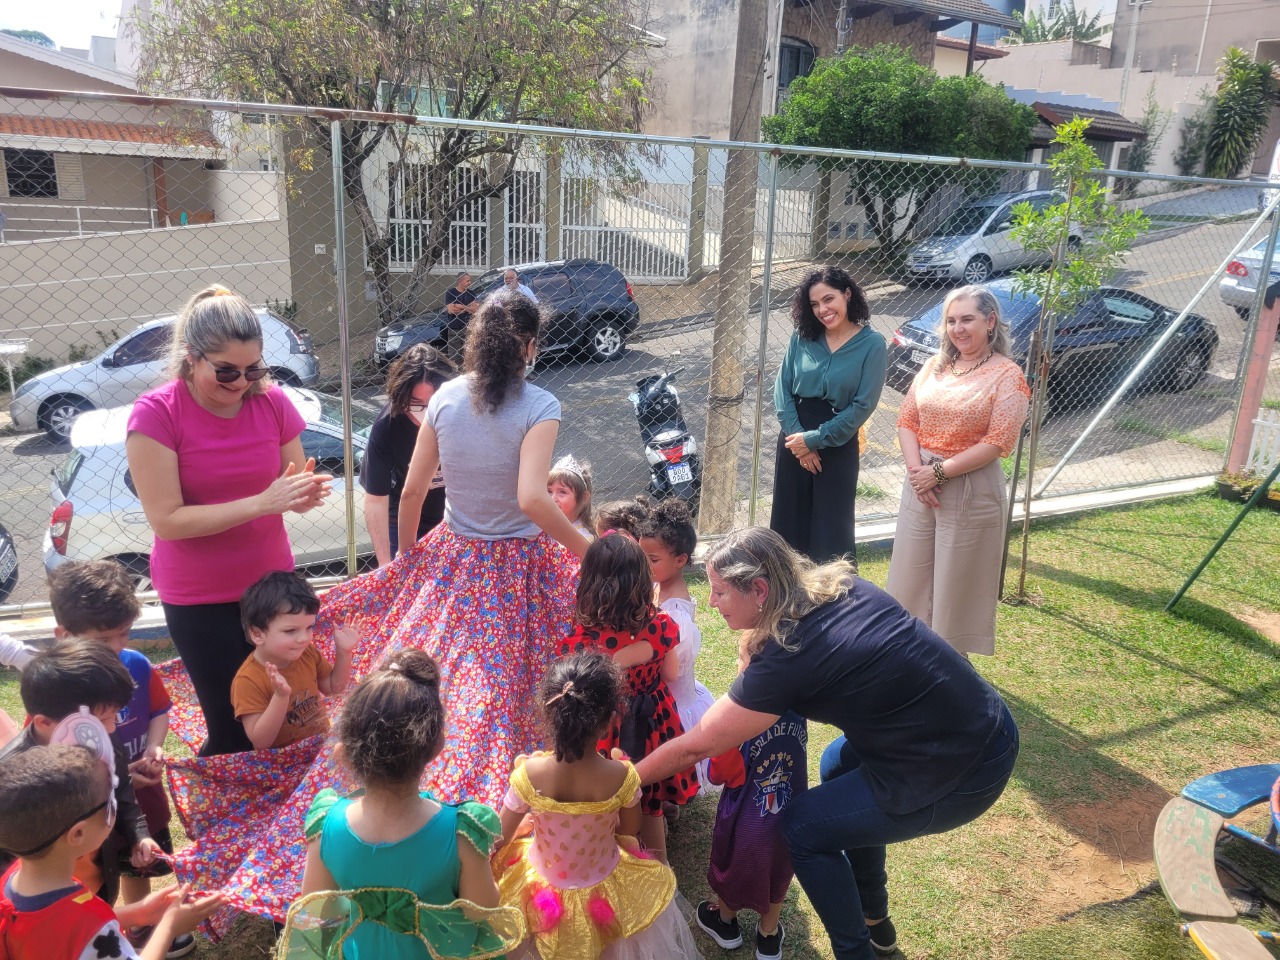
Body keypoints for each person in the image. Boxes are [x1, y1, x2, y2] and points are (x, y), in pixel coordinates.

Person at [635, 528, 1020, 960]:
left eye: (720, 592)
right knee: (837, 762)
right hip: (987, 722)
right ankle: (875, 918)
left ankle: (856, 953)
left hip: (963, 772)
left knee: (802, 826)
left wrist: (626, 778)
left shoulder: (790, 657)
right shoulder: (846, 589)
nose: (710, 602)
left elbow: (697, 745)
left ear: (759, 589)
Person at [318, 289, 589, 809]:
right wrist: (589, 551)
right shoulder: (539, 405)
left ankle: (420, 782)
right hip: (521, 564)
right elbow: (532, 498)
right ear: (529, 344)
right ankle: (520, 790)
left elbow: (413, 491)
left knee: (446, 671)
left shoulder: (443, 399)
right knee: (521, 680)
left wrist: (405, 561)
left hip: (453, 556)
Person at [126, 284, 330, 755]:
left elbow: (290, 482)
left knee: (293, 716)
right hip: (201, 598)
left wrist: (303, 495)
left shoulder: (272, 401)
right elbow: (167, 520)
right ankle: (228, 822)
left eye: (254, 368)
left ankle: (282, 825)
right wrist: (262, 503)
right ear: (192, 357)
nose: (241, 382)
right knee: (233, 729)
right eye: (226, 371)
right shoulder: (156, 414)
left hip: (271, 590)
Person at [297, 649, 523, 960]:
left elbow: (318, 904)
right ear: (437, 746)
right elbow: (480, 911)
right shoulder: (460, 833)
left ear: (344, 753)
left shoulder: (326, 826)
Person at [495, 651, 701, 960]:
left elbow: (500, 834)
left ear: (551, 716)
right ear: (608, 721)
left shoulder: (530, 774)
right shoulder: (620, 776)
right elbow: (631, 829)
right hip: (603, 886)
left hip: (541, 889)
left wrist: (530, 825)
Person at [47, 560, 186, 955]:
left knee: (142, 857)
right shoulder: (55, 690)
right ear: (64, 635)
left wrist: (154, 748)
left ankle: (139, 926)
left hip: (143, 795)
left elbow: (159, 710)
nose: (116, 649)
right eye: (103, 639)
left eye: (123, 635)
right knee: (98, 871)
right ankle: (99, 928)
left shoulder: (137, 665)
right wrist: (114, 776)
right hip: (89, 810)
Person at [885, 284, 1030, 657]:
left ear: (990, 321)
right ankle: (908, 653)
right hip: (921, 483)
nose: (958, 328)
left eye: (968, 319)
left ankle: (950, 660)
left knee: (957, 580)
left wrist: (939, 473)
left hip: (970, 487)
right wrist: (919, 473)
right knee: (911, 574)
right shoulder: (935, 366)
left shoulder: (1007, 375)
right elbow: (906, 420)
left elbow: (998, 440)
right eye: (951, 320)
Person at [0, 744, 224, 960]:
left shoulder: (13, 879)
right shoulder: (89, 923)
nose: (116, 807)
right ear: (77, 834)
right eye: (111, 803)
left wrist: (139, 913)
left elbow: (53, 929)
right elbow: (83, 931)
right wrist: (169, 925)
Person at [0, 640, 162, 922]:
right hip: (41, 915)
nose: (112, 729)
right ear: (43, 723)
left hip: (97, 887)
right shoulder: (10, 781)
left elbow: (121, 787)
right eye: (103, 719)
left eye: (114, 717)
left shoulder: (100, 736)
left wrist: (140, 835)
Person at [558, 535, 697, 864]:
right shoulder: (662, 623)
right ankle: (660, 875)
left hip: (604, 725)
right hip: (652, 720)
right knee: (647, 798)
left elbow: (572, 682)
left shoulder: (580, 635)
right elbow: (672, 675)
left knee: (606, 798)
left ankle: (611, 865)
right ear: (641, 577)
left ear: (589, 579)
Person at [770, 266, 886, 564]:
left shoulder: (873, 345)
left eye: (829, 299)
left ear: (848, 294)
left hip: (837, 442)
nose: (822, 309)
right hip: (793, 440)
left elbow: (863, 405)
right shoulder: (802, 337)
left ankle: (833, 606)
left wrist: (816, 439)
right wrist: (800, 441)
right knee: (788, 527)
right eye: (814, 304)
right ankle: (785, 603)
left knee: (832, 533)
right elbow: (782, 389)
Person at [697, 710, 808, 960]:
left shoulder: (739, 711)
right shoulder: (801, 705)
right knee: (779, 868)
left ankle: (726, 923)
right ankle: (768, 935)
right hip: (789, 813)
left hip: (744, 815)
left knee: (730, 862)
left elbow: (717, 774)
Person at [635, 499, 714, 790]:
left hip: (674, 701)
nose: (645, 565)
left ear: (680, 560)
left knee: (670, 760)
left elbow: (671, 673)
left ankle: (669, 803)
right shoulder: (659, 585)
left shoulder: (675, 614)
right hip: (670, 695)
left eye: (652, 560)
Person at [231, 571, 357, 751]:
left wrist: (344, 653)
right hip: (284, 765)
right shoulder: (248, 680)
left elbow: (334, 689)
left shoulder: (307, 653)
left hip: (319, 749)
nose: (304, 638)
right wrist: (281, 697)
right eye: (291, 631)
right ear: (257, 634)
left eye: (309, 627)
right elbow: (261, 742)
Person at [363, 344, 458, 566]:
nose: (426, 415)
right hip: (404, 522)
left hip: (455, 520)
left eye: (434, 404)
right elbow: (376, 499)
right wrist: (386, 565)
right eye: (416, 405)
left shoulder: (462, 415)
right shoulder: (387, 426)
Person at [548, 454, 594, 537]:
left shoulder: (583, 537)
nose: (552, 498)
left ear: (584, 497)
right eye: (549, 491)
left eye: (562, 492)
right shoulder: (541, 525)